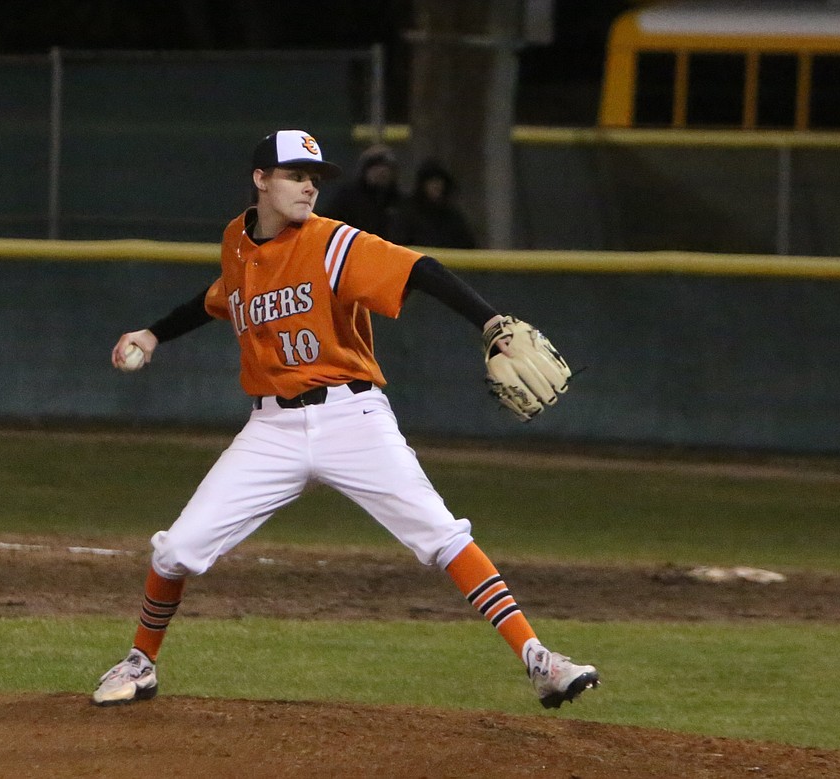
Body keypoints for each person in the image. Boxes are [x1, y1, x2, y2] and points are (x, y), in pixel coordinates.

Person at [93, 129, 599, 710]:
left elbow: (421, 270)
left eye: (315, 177)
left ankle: (539, 660)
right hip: (271, 431)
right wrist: (154, 333)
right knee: (175, 551)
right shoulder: (237, 242)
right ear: (260, 180)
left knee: (442, 535)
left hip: (353, 418)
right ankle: (140, 661)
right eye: (295, 175)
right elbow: (216, 299)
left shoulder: (333, 243)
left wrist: (489, 323)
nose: (309, 186)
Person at [318, 143, 403, 239]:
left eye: (387, 168)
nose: (382, 172)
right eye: (376, 167)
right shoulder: (347, 199)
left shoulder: (400, 202)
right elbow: (329, 225)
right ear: (365, 170)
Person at [395, 158, 477, 249]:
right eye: (431, 182)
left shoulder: (453, 216)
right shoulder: (408, 214)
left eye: (439, 181)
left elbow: (468, 245)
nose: (436, 186)